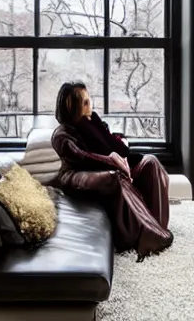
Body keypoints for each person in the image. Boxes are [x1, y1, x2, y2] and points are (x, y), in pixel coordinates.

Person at [51, 81, 173, 261]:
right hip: (77, 174)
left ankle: (157, 224)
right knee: (115, 177)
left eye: (88, 99)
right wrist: (111, 160)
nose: (90, 104)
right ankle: (143, 234)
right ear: (72, 107)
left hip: (107, 166)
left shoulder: (94, 122)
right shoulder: (62, 134)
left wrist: (121, 154)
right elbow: (80, 157)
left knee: (150, 162)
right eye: (84, 102)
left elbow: (111, 144)